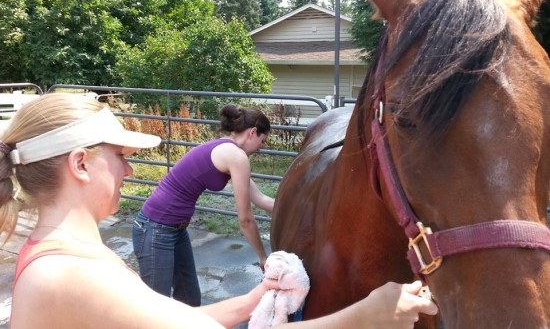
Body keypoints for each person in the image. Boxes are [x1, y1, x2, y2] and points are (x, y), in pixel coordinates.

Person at [0, 92, 438, 328]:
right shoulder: (68, 277)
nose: (131, 168)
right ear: (80, 163)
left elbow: (178, 320)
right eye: (119, 155)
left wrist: (255, 298)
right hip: (162, 229)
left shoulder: (65, 256)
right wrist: (364, 317)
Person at [133, 104, 275, 306]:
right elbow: (245, 219)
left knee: (190, 299)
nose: (262, 147)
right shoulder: (236, 156)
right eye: (263, 140)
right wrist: (263, 257)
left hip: (175, 229)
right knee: (155, 306)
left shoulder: (227, 150)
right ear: (253, 132)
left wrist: (300, 210)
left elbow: (261, 199)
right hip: (155, 229)